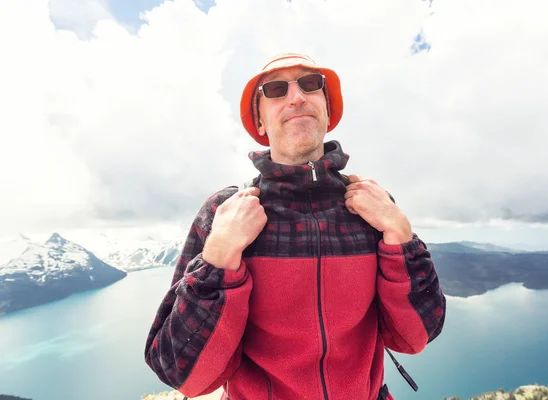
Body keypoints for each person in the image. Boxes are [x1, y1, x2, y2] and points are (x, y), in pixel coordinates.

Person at [144, 53, 446, 400]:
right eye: (275, 90)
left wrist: (401, 235)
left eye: (310, 84)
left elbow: (415, 336)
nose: (297, 97)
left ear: (328, 111)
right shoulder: (225, 212)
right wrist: (218, 256)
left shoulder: (372, 205)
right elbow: (183, 374)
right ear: (259, 122)